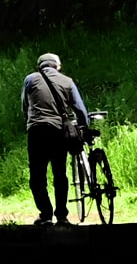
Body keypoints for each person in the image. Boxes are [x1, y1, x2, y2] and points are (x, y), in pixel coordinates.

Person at [22, 51, 91, 225]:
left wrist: (30, 121)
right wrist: (84, 127)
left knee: (37, 176)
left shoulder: (30, 79)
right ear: (58, 67)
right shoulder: (67, 81)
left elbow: (24, 105)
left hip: (37, 132)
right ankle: (62, 215)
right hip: (58, 131)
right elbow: (80, 110)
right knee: (60, 174)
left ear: (39, 67)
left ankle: (45, 214)